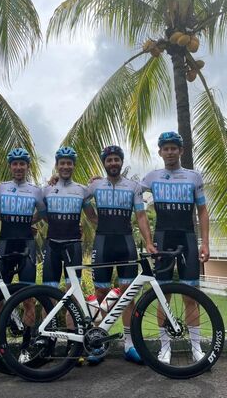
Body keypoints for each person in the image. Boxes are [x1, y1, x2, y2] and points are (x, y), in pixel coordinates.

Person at [141, 131, 209, 364]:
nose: (169, 152)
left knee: (192, 296)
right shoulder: (152, 177)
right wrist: (149, 241)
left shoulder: (194, 177)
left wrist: (206, 243)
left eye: (174, 148)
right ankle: (165, 348)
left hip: (188, 239)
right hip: (163, 239)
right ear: (159, 152)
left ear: (181, 151)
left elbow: (202, 211)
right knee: (164, 296)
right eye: (165, 148)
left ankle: (196, 347)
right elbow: (129, 192)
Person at [87, 145, 156, 365]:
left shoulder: (133, 187)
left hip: (125, 243)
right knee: (100, 294)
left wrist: (148, 242)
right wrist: (96, 221)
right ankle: (99, 342)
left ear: (121, 162)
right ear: (104, 163)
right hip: (103, 242)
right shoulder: (95, 185)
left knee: (128, 295)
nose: (113, 163)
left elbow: (142, 216)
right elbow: (81, 200)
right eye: (109, 160)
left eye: (117, 159)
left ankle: (129, 344)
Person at [0, 147, 46, 363]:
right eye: (15, 164)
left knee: (28, 300)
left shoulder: (35, 190)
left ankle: (25, 347)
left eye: (22, 163)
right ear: (10, 166)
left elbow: (42, 212)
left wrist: (28, 222)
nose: (18, 167)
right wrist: (8, 220)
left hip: (26, 246)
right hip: (5, 244)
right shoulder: (1, 188)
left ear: (27, 166)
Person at [42, 146, 97, 288]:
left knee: (74, 293)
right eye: (62, 163)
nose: (65, 166)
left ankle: (70, 312)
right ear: (56, 165)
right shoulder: (46, 190)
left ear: (74, 165)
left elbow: (92, 217)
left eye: (69, 163)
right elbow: (42, 214)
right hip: (52, 244)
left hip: (73, 245)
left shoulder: (82, 190)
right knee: (48, 295)